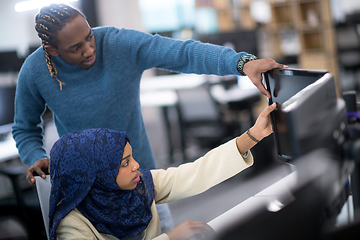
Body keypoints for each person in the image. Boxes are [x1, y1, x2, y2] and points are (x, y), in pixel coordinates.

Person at [12, 2, 285, 233]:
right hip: (86, 190)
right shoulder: (34, 71)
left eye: (89, 37)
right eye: (76, 48)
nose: (89, 50)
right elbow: (25, 128)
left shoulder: (117, 43)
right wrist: (35, 156)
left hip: (138, 176)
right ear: (52, 50)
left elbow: (183, 53)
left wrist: (241, 63)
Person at [48, 102, 276, 240]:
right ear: (97, 177)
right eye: (125, 163)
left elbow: (196, 173)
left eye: (131, 157)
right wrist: (172, 236)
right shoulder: (72, 224)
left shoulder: (140, 185)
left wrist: (254, 135)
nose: (136, 165)